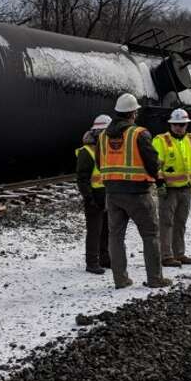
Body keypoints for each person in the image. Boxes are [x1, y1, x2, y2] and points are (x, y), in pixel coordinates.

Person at [99, 92, 170, 289]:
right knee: (150, 234)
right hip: (138, 193)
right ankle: (155, 279)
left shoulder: (104, 135)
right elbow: (152, 162)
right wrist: (158, 179)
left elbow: (100, 161)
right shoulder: (139, 133)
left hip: (112, 193)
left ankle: (120, 280)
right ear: (132, 113)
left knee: (115, 236)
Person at [152, 108, 191, 267]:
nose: (179, 127)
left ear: (186, 125)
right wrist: (160, 183)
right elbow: (156, 165)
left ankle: (179, 253)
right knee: (166, 223)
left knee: (180, 222)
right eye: (176, 124)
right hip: (168, 189)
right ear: (171, 124)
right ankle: (166, 256)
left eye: (182, 124)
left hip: (186, 187)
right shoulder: (161, 140)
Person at [76, 114, 113, 275]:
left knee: (106, 230)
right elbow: (82, 179)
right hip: (94, 199)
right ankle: (92, 262)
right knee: (94, 231)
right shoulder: (87, 152)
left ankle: (104, 258)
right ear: (97, 133)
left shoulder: (106, 150)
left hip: (106, 198)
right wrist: (89, 199)